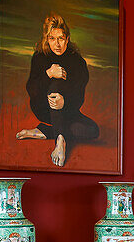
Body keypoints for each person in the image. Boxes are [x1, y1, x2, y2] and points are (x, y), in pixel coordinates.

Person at [16, 14, 100, 166]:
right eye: (52, 39)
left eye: (61, 38)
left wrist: (65, 102)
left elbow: (79, 93)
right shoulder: (40, 57)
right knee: (56, 85)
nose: (57, 44)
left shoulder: (77, 61)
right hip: (43, 107)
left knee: (93, 130)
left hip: (68, 110)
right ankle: (60, 140)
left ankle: (43, 131)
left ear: (67, 39)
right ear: (47, 39)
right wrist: (48, 74)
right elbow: (32, 89)